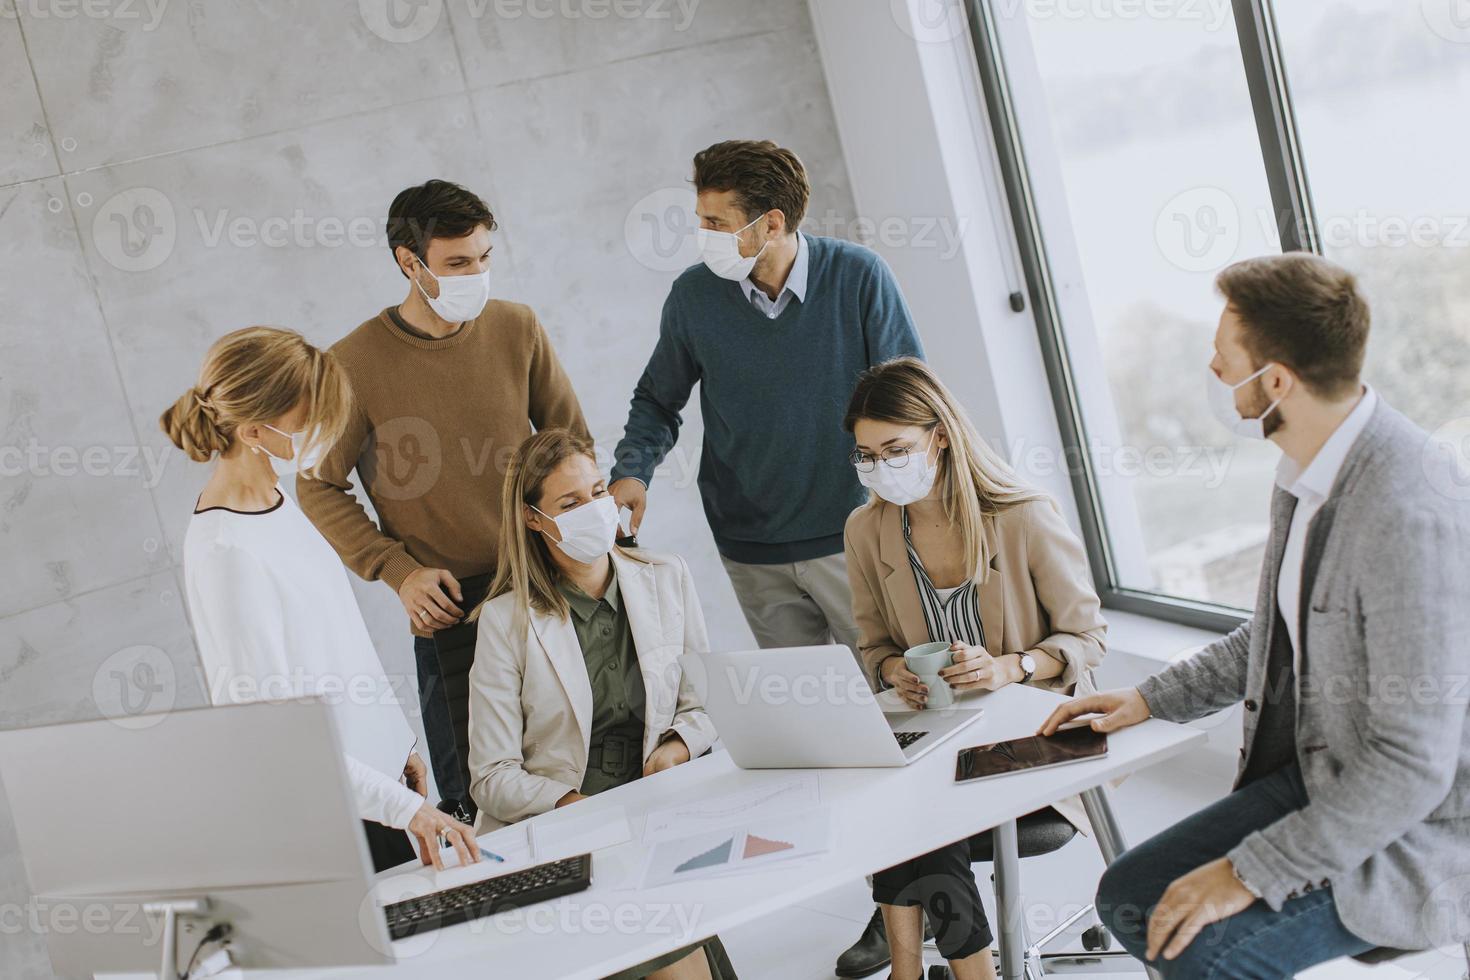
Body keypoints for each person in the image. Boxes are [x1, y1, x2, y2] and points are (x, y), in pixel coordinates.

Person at [1040, 253, 1470, 978]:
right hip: (1329, 772)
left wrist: (1247, 873)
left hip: (1420, 822)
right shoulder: (1307, 474)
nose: (1210, 370)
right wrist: (1148, 699)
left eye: (1222, 358)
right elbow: (1275, 637)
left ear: (1275, 381)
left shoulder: (1405, 512)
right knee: (1133, 896)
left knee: (1207, 952)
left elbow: (1411, 767)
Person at [298, 180, 588, 823]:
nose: (477, 273)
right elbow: (316, 484)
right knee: (477, 803)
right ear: (410, 262)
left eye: (485, 256)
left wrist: (586, 530)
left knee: (580, 774)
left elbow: (572, 444)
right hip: (452, 611)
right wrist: (395, 570)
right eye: (458, 262)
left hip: (545, 582)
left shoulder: (517, 327)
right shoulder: (350, 364)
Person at [165, 326, 479, 873]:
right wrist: (398, 807)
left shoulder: (281, 500)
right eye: (310, 420)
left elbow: (338, 642)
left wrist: (394, 745)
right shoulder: (225, 551)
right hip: (335, 816)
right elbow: (275, 733)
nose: (325, 432)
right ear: (253, 428)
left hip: (374, 790)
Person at [609, 139, 924, 669]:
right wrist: (632, 473)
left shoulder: (858, 276)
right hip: (750, 545)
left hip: (857, 533)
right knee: (812, 710)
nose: (702, 236)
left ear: (771, 223)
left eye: (715, 223)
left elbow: (911, 400)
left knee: (894, 690)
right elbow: (657, 400)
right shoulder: (694, 296)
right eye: (700, 221)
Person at [842, 357, 1106, 980]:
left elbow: (1089, 637)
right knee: (890, 796)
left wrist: (1013, 666)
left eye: (895, 448)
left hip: (1035, 731)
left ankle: (953, 974)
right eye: (866, 454)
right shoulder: (865, 530)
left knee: (923, 813)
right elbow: (872, 645)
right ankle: (920, 973)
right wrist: (890, 673)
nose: (881, 467)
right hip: (938, 731)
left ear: (939, 436)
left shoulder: (1022, 515)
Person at [466, 429, 733, 980]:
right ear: (534, 519)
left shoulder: (666, 578)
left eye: (596, 491)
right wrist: (572, 804)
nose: (593, 510)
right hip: (561, 829)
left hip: (651, 810)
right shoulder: (505, 622)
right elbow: (491, 776)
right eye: (570, 503)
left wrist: (678, 748)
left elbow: (708, 704)